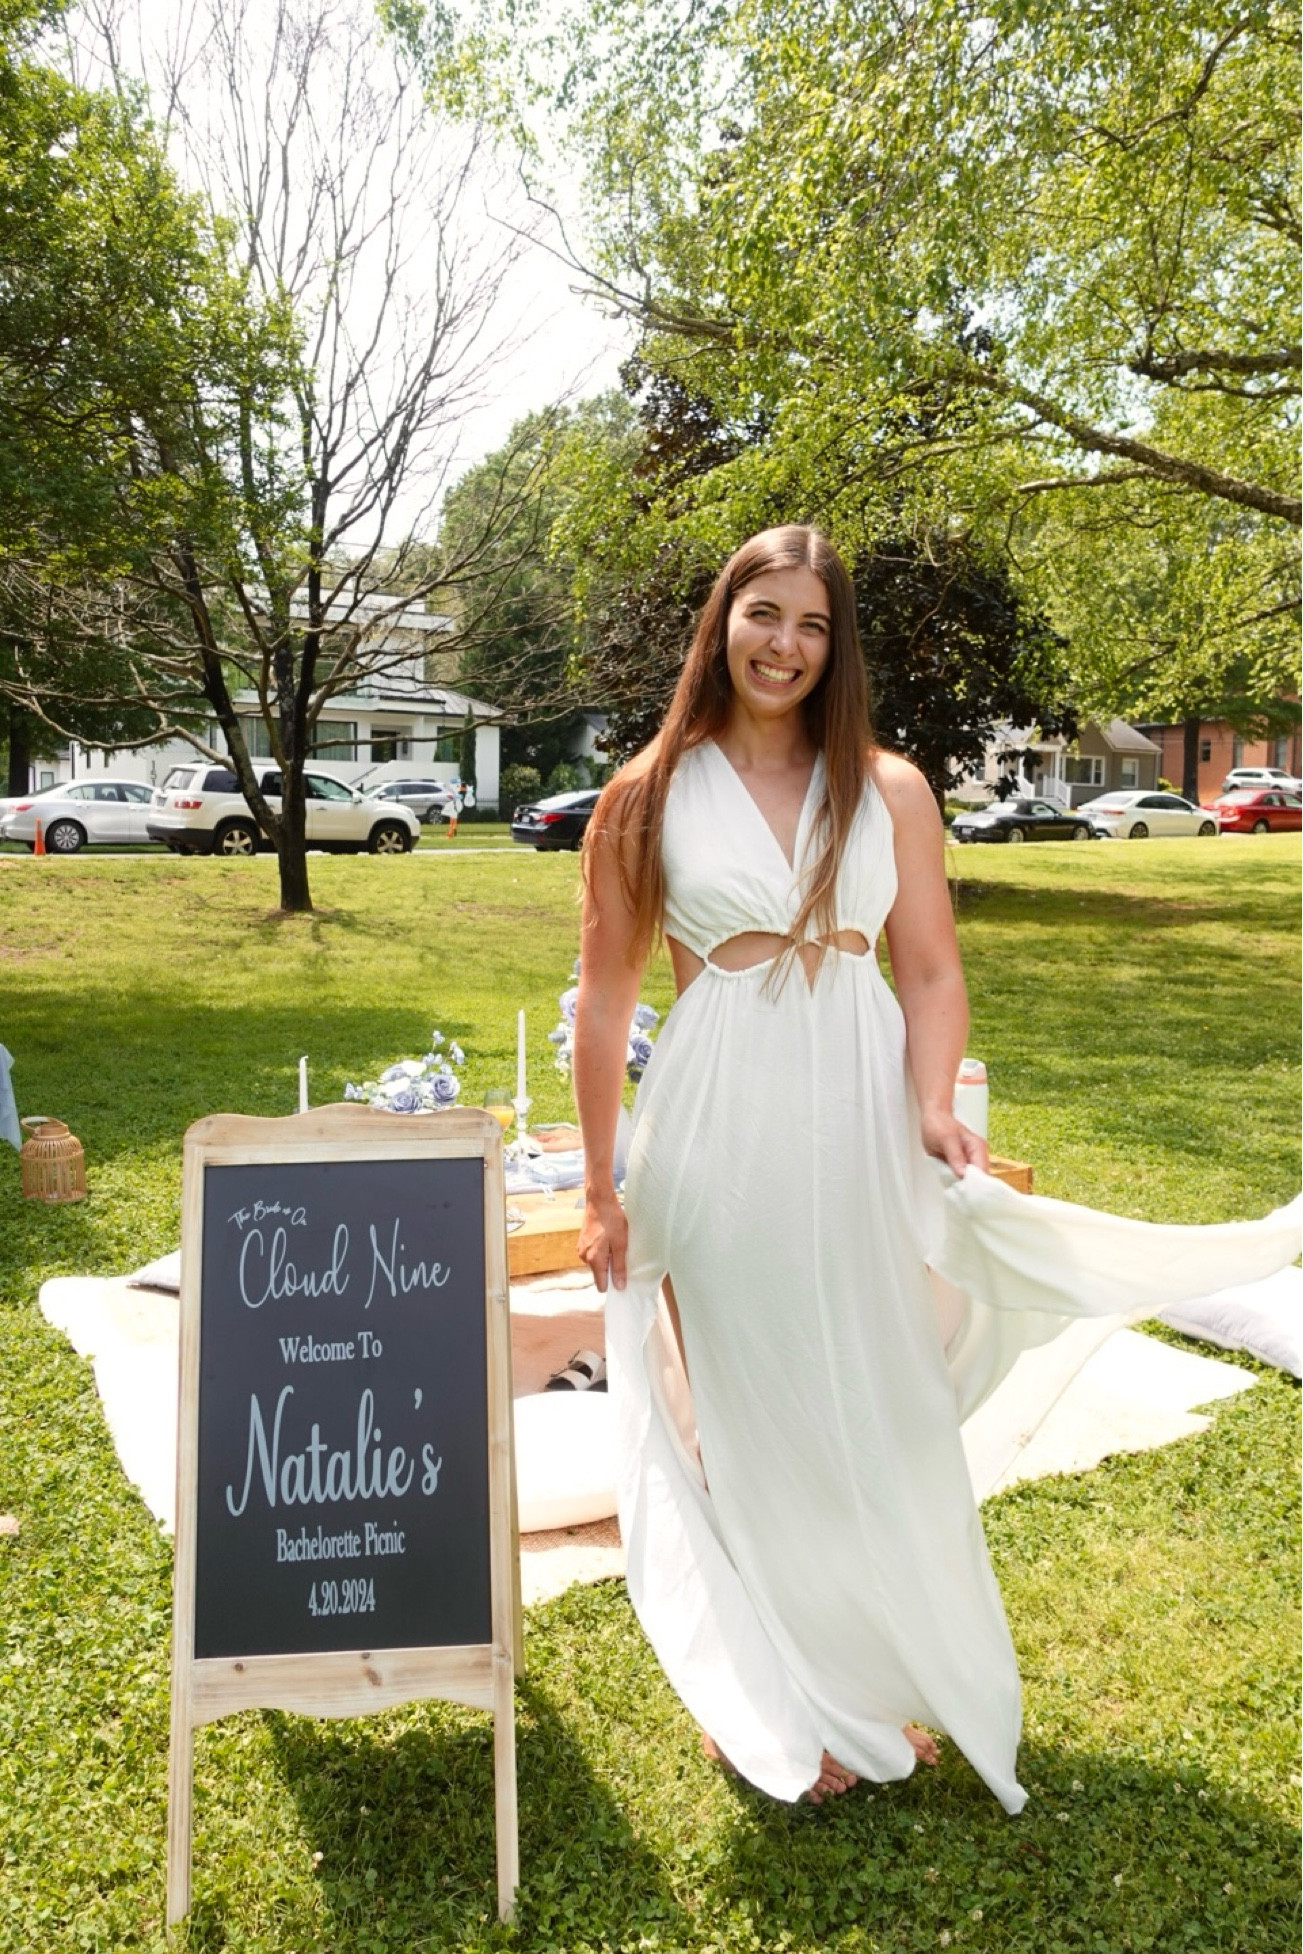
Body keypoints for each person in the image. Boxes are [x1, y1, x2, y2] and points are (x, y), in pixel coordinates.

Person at [571, 525, 1299, 1812]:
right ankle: (780, 1699)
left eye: (812, 623)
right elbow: (603, 997)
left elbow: (930, 970)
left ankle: (878, 1662)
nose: (785, 644)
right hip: (715, 1130)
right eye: (764, 613)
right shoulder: (646, 794)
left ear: (836, 645)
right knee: (749, 1411)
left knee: (876, 1402)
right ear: (722, 620)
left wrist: (927, 1104)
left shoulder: (889, 788)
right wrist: (596, 1186)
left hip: (858, 1120)